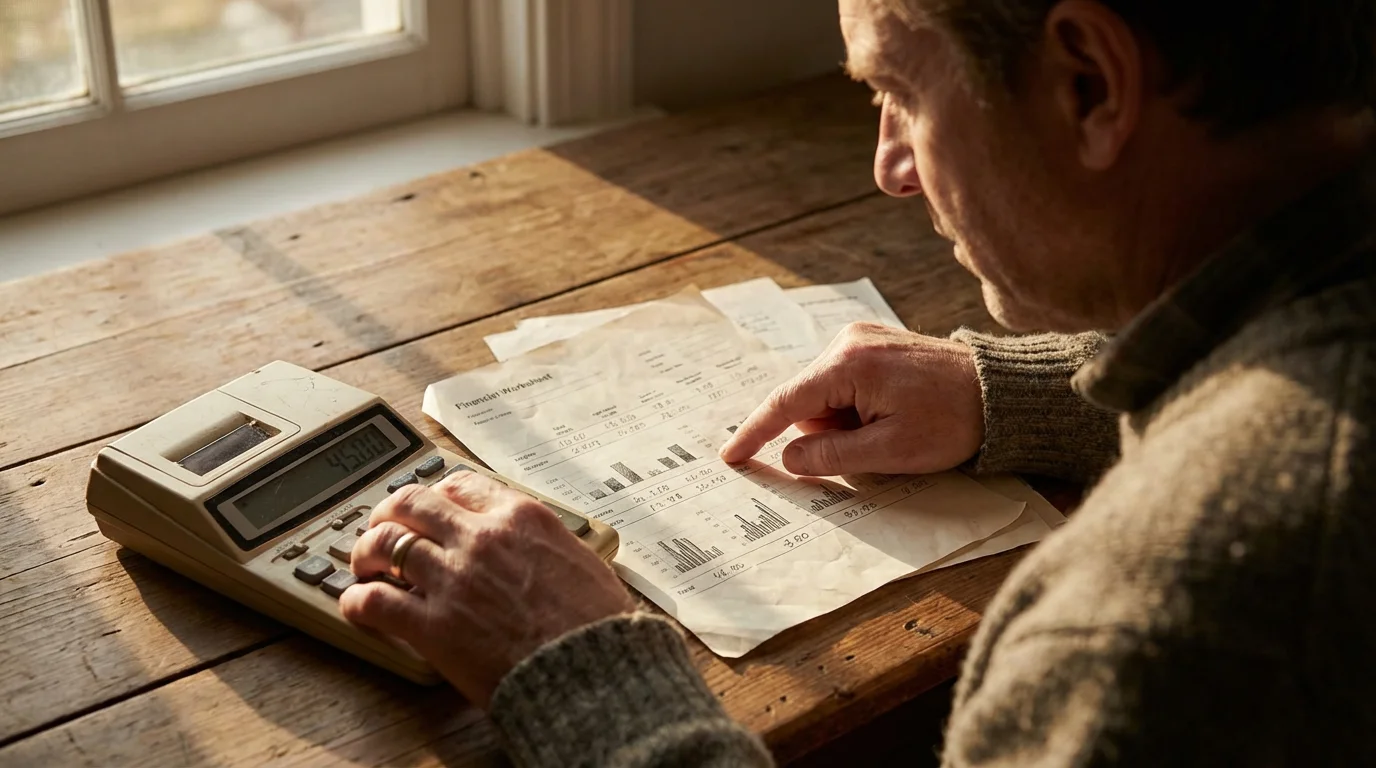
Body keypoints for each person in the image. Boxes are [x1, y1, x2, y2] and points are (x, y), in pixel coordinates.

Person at [338, 0, 1376, 764]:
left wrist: (583, 677)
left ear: (1088, 87)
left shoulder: (1158, 631)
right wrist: (1010, 393)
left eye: (897, 92)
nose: (889, 166)